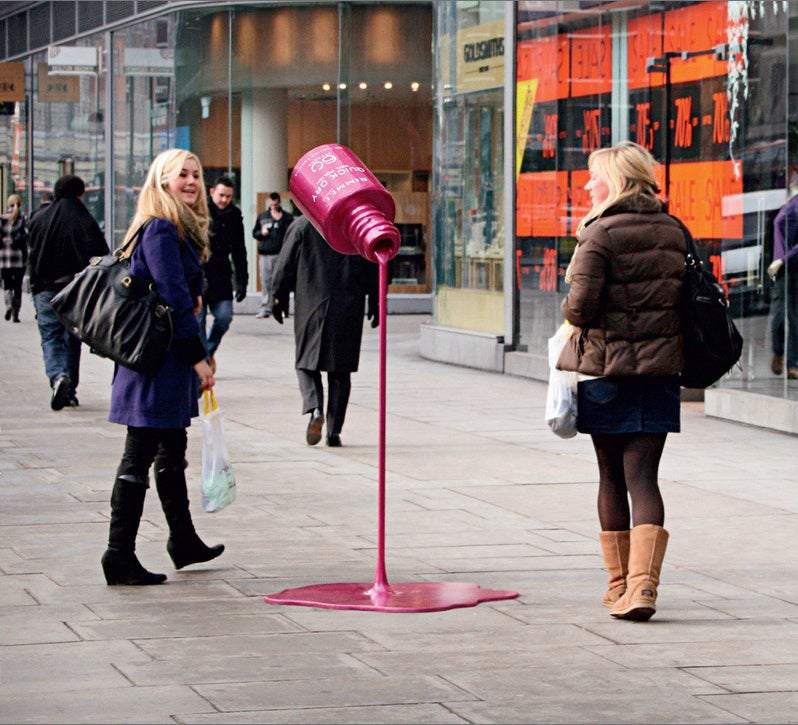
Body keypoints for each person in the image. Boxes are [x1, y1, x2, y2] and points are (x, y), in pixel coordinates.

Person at [556, 140, 687, 621]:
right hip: (659, 372)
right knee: (645, 479)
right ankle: (644, 589)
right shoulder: (674, 230)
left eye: (594, 176)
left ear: (615, 180)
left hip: (606, 372)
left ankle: (618, 587)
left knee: (611, 476)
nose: (587, 185)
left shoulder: (600, 234)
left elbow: (580, 308)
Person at [101, 148, 223, 586]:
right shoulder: (160, 229)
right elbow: (173, 296)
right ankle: (118, 554)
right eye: (181, 175)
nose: (190, 181)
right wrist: (199, 357)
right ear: (162, 181)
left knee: (173, 452)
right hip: (155, 361)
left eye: (195, 174)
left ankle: (183, 540)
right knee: (139, 454)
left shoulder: (179, 230)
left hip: (166, 361)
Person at [271, 215, 378, 447]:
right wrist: (377, 301)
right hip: (348, 304)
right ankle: (334, 430)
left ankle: (314, 407)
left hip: (311, 301)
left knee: (305, 361)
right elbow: (374, 265)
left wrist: (277, 297)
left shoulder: (303, 225)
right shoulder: (357, 227)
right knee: (341, 370)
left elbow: (285, 264)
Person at [27, 175, 109, 410]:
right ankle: (70, 390)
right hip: (75, 291)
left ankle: (58, 376)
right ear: (80, 193)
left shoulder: (39, 217)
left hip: (45, 287)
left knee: (51, 337)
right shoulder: (84, 218)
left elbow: (32, 254)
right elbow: (99, 256)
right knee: (72, 339)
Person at [199, 176, 248, 372]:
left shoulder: (235, 216)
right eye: (221, 195)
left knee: (224, 317)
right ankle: (201, 367)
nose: (224, 200)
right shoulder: (200, 211)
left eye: (228, 196)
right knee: (198, 323)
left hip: (222, 277)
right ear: (212, 192)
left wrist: (242, 282)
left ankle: (207, 355)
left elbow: (239, 251)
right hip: (200, 275)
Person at [768, 190, 798, 379]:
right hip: (781, 268)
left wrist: (783, 260)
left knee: (794, 316)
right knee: (779, 314)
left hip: (791, 266)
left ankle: (792, 362)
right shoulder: (790, 202)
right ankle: (779, 353)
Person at [253, 192, 294, 319]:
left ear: (279, 203)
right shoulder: (263, 217)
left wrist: (279, 220)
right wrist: (262, 233)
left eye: (275, 204)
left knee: (281, 282)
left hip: (280, 254)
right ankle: (266, 308)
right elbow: (255, 233)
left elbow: (290, 233)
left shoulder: (286, 217)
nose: (273, 207)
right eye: (271, 204)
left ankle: (282, 308)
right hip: (266, 253)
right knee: (266, 282)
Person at [1, 194, 28, 323]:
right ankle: (16, 314)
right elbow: (26, 237)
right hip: (19, 256)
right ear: (20, 204)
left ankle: (8, 305)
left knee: (7, 284)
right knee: (17, 285)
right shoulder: (23, 218)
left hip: (5, 256)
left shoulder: (2, 218)